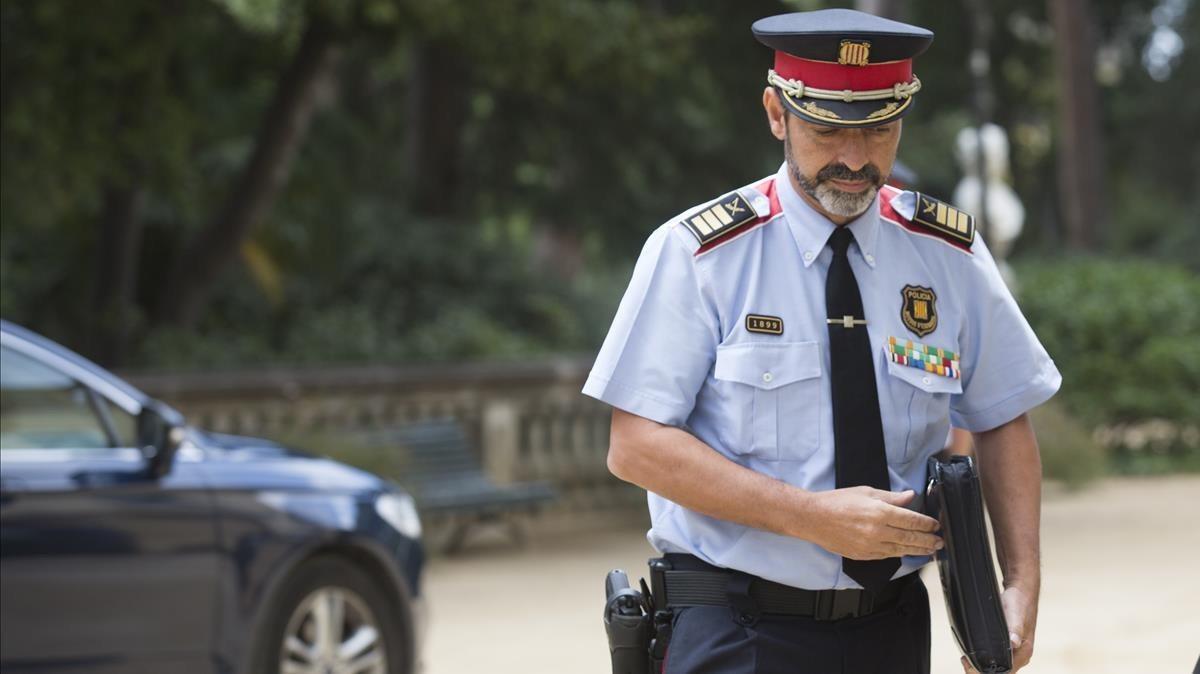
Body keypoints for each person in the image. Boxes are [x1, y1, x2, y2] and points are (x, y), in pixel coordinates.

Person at [582, 9, 1060, 674]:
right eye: (829, 128)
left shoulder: (948, 254)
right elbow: (635, 445)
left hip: (893, 628)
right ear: (777, 115)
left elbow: (1004, 415)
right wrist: (809, 517)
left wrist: (1019, 586)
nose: (856, 159)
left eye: (880, 129)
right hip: (736, 627)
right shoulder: (699, 254)